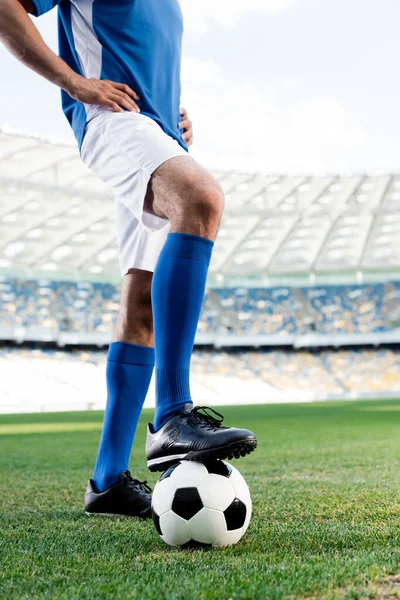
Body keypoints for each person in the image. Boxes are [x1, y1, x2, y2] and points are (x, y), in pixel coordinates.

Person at [1, 0, 257, 520]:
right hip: (111, 122)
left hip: (154, 129)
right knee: (201, 199)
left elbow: (143, 50)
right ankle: (173, 414)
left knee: (140, 305)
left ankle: (108, 481)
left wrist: (172, 112)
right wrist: (75, 82)